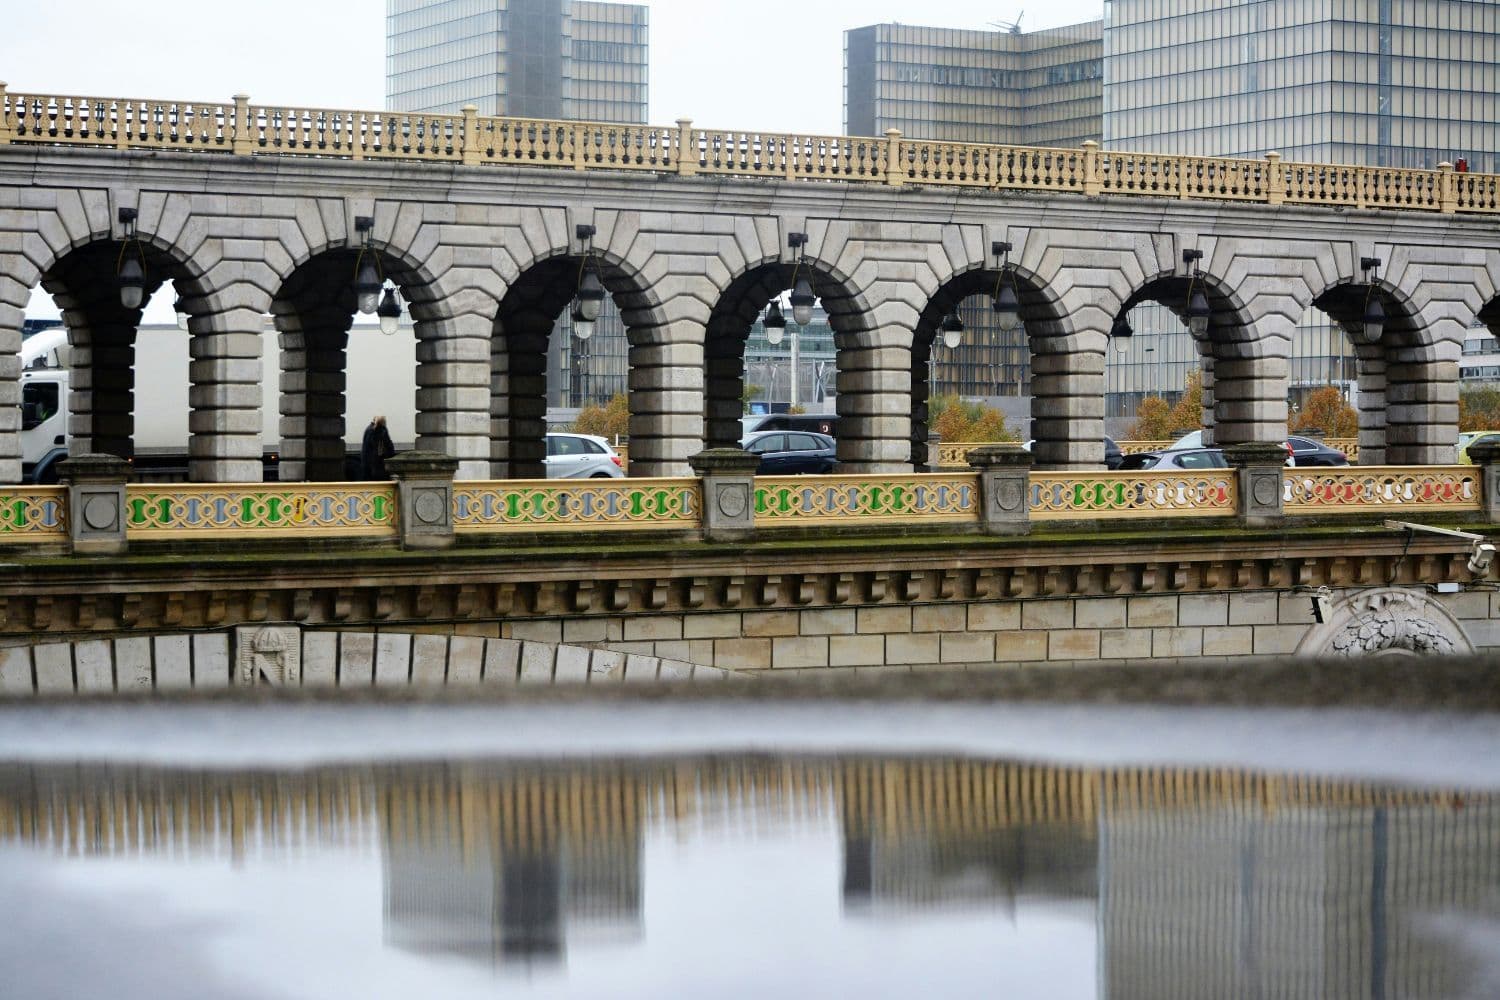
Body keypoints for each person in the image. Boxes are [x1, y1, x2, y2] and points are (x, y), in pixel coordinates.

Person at [360, 415, 395, 480]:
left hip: (369, 463)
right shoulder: (381, 430)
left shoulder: (369, 429)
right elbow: (388, 444)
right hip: (377, 464)